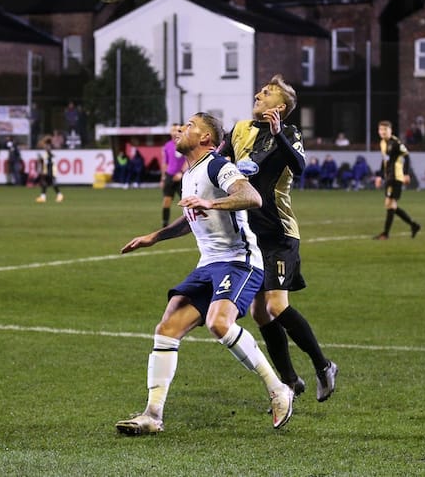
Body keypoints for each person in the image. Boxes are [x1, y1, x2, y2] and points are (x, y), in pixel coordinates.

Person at [115, 112, 295, 435]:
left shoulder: (216, 165)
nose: (182, 129)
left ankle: (279, 389)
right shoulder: (190, 175)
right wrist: (155, 237)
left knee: (218, 322)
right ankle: (152, 415)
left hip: (240, 261)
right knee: (167, 326)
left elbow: (250, 197)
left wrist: (212, 205)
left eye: (190, 126)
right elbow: (191, 218)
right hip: (208, 264)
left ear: (205, 139)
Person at [219, 75, 339, 405]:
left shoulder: (289, 133)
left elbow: (299, 166)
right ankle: (289, 380)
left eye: (267, 93)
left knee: (275, 305)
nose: (259, 94)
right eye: (260, 90)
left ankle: (324, 366)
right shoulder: (240, 129)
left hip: (280, 233)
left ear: (281, 107)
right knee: (260, 313)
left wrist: (277, 135)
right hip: (251, 235)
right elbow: (218, 159)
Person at [373, 120, 421, 239]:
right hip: (389, 176)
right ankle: (413, 225)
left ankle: (385, 234)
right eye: (381, 130)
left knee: (389, 204)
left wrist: (406, 174)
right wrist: (380, 175)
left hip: (396, 177)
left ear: (390, 130)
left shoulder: (396, 143)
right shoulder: (383, 143)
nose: (383, 132)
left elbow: (407, 156)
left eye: (385, 129)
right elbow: (385, 160)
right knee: (391, 205)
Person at [159, 124, 186, 226]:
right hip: (170, 175)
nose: (175, 132)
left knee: (185, 202)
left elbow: (188, 160)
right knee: (166, 200)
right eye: (173, 130)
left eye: (177, 130)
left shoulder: (184, 144)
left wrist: (181, 173)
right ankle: (165, 225)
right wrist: (163, 177)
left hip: (181, 177)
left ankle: (189, 223)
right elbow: (165, 162)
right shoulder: (167, 145)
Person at [34, 136, 64, 203]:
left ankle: (59, 195)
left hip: (50, 171)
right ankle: (43, 197)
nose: (45, 147)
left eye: (46, 146)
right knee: (45, 183)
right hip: (47, 171)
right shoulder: (47, 154)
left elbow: (50, 163)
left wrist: (48, 172)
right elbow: (44, 162)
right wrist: (41, 160)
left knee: (51, 183)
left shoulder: (49, 154)